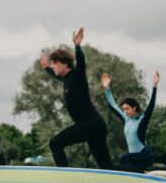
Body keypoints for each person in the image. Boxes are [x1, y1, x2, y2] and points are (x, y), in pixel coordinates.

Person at [38, 29, 114, 170]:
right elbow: (57, 76)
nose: (53, 66)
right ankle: (144, 174)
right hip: (94, 126)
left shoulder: (77, 76)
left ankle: (64, 176)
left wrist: (77, 46)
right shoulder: (66, 79)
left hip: (90, 124)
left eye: (55, 63)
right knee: (107, 167)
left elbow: (81, 63)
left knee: (55, 143)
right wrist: (46, 68)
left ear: (65, 63)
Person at [102, 70, 160, 172]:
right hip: (134, 158)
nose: (125, 111)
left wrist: (154, 86)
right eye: (123, 109)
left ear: (134, 108)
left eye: (127, 109)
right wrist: (107, 88)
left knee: (124, 159)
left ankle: (144, 172)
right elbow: (113, 106)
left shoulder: (142, 120)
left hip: (145, 155)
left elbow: (151, 106)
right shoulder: (126, 119)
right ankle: (143, 174)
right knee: (128, 164)